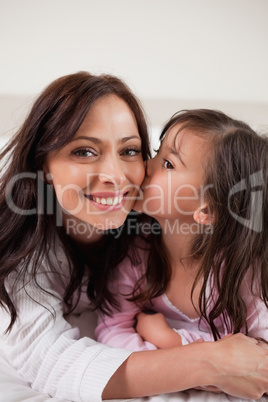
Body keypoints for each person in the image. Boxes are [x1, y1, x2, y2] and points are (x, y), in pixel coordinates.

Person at [0, 74, 267, 402]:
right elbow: (52, 365)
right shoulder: (23, 250)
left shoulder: (161, 219)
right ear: (43, 165)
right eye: (84, 151)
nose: (116, 176)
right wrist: (210, 363)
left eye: (129, 150)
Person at [96, 109, 268, 397]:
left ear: (207, 210)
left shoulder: (243, 273)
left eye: (167, 163)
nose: (145, 166)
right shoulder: (136, 252)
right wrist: (207, 364)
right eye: (155, 152)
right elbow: (110, 334)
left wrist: (167, 339)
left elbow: (257, 366)